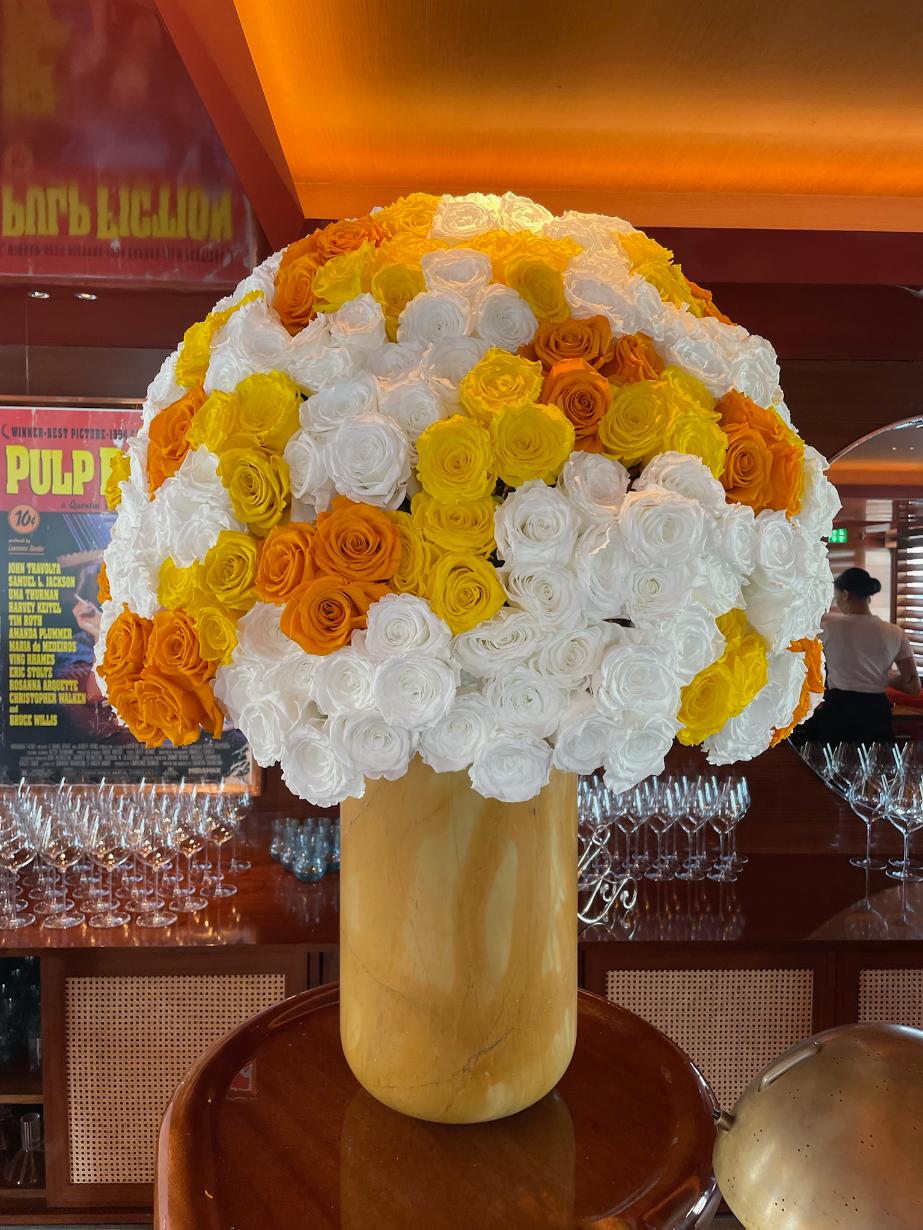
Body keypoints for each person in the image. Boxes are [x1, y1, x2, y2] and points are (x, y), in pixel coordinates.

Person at [797, 567, 921, 745]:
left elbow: (806, 670)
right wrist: (883, 676)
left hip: (838, 711)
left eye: (836, 597)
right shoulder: (896, 632)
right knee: (875, 760)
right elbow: (913, 687)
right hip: (876, 713)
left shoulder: (826, 631)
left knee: (834, 760)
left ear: (845, 595)